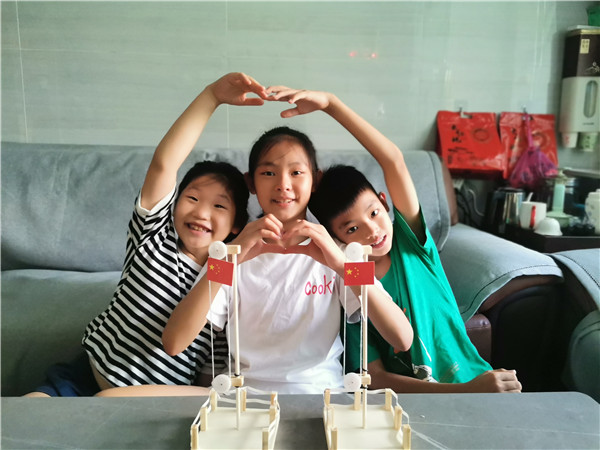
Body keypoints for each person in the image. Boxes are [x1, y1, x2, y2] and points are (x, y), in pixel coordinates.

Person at [162, 89, 413, 394]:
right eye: (269, 172)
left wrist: (341, 265)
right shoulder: (231, 254)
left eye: (296, 172)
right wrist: (227, 262)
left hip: (323, 395)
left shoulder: (338, 252)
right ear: (251, 182)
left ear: (315, 180)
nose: (283, 185)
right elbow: (174, 343)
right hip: (246, 400)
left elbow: (402, 338)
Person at [274, 87, 522, 393]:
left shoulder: (411, 244)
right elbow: (374, 378)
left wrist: (332, 105)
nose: (372, 231)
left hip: (478, 379)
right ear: (337, 238)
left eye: (374, 213)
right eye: (352, 229)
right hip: (420, 402)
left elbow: (392, 160)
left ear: (384, 201)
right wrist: (464, 392)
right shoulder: (351, 284)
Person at [27, 72, 258, 397]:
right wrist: (211, 97)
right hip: (81, 379)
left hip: (145, 403)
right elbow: (164, 164)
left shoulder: (225, 279)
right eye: (192, 198)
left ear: (236, 225)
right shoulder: (153, 236)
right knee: (29, 410)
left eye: (219, 206)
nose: (201, 213)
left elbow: (209, 369)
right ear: (174, 204)